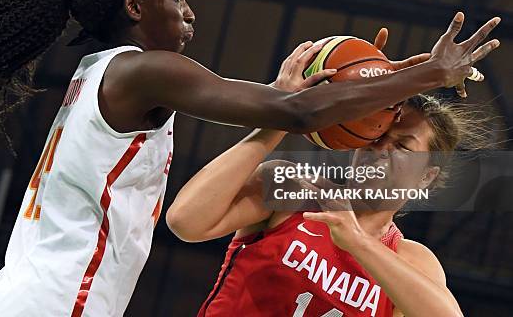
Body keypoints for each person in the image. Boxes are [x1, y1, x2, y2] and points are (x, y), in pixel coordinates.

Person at [0, 0, 499, 316]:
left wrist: (385, 86)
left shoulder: (107, 74)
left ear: (430, 177)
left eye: (405, 144)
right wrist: (419, 79)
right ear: (134, 7)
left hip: (46, 292)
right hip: (61, 298)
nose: (190, 10)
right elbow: (289, 118)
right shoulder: (147, 74)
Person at [166, 42, 484, 316]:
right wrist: (283, 113)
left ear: (426, 177)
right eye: (376, 136)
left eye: (402, 146)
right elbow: (185, 221)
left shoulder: (410, 259)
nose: (381, 150)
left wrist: (358, 242)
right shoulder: (294, 189)